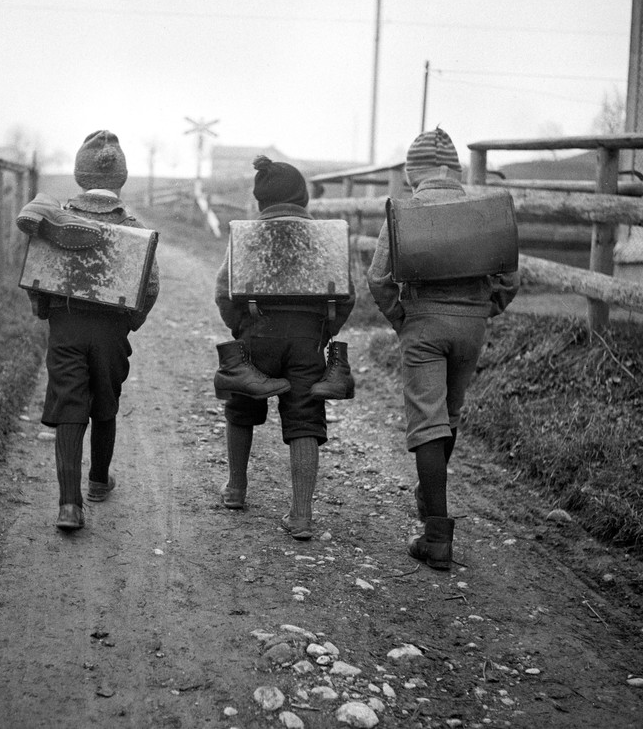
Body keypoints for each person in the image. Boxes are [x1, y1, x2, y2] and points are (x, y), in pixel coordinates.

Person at [366, 127, 519, 569]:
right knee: (448, 416)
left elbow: (378, 278)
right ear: (454, 171)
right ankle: (429, 499)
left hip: (424, 324)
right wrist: (481, 310)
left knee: (426, 421)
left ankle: (436, 535)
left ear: (414, 173)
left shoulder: (404, 210)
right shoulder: (485, 210)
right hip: (472, 326)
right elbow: (509, 278)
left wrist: (403, 319)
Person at [18, 130, 160, 531]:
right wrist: (129, 321)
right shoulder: (133, 226)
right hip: (111, 328)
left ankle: (69, 505)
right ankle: (99, 480)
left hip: (66, 322)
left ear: (80, 177)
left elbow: (37, 274)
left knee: (69, 402)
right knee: (105, 399)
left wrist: (45, 310)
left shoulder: (56, 219)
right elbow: (150, 287)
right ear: (122, 179)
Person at [214, 155, 355, 540]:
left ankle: (236, 490)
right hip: (309, 337)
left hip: (256, 331)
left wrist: (242, 328)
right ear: (304, 198)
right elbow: (347, 296)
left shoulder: (245, 234)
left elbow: (223, 290)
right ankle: (302, 515)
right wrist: (324, 333)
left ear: (260, 200)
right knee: (305, 413)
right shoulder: (328, 236)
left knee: (241, 404)